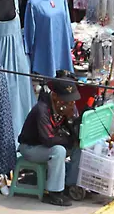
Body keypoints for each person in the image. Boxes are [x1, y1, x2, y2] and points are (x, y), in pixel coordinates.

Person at [18, 77, 82, 207]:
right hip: (31, 147)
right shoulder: (42, 110)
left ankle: (70, 184)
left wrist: (72, 122)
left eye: (72, 101)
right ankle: (53, 192)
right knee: (59, 151)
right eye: (66, 100)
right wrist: (69, 140)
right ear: (55, 96)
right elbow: (47, 139)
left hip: (47, 145)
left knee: (80, 147)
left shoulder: (67, 108)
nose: (71, 104)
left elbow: (73, 131)